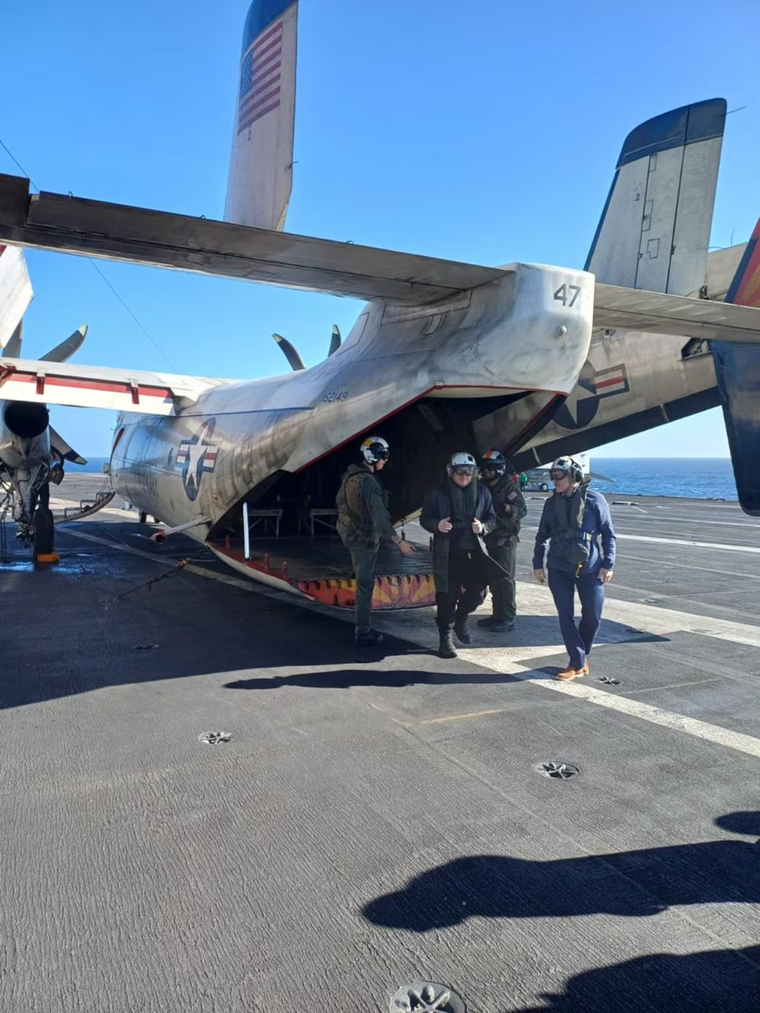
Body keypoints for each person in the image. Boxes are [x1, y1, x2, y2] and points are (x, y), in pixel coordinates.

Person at [532, 455, 616, 680]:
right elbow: (542, 535)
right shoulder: (551, 503)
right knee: (565, 615)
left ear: (573, 476)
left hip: (590, 568)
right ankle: (576, 662)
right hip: (559, 567)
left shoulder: (595, 500)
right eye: (553, 477)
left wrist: (608, 563)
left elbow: (608, 534)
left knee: (593, 616)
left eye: (559, 476)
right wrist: (537, 564)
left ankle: (582, 656)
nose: (554, 481)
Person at [421, 452, 506, 659]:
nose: (465, 476)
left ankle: (461, 618)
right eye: (461, 472)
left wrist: (483, 527)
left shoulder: (483, 492)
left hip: (474, 552)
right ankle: (446, 637)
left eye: (470, 472)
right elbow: (425, 518)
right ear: (451, 471)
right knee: (447, 596)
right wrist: (436, 525)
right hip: (447, 553)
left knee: (479, 593)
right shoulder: (438, 493)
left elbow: (492, 518)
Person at [336, 436, 415, 646]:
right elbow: (379, 517)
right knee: (365, 585)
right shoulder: (368, 482)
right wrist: (399, 542)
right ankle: (363, 632)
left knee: (362, 579)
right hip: (363, 541)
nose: (385, 461)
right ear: (373, 456)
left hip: (353, 536)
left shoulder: (351, 476)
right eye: (383, 457)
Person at [477, 450, 527, 633]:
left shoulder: (509, 486)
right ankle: (497, 615)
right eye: (484, 467)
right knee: (494, 579)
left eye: (490, 468)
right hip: (489, 538)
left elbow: (521, 510)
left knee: (505, 580)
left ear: (498, 469)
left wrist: (506, 507)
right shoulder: (482, 485)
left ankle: (506, 618)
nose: (486, 471)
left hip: (505, 539)